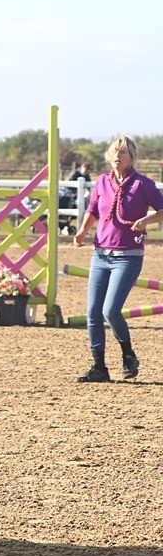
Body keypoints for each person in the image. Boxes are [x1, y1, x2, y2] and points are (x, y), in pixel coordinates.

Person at [73, 136, 163, 382]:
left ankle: (128, 355)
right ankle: (99, 367)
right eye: (114, 151)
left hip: (128, 256)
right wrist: (82, 231)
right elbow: (92, 210)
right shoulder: (102, 182)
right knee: (92, 311)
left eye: (122, 152)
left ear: (132, 157)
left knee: (111, 310)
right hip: (100, 254)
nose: (117, 155)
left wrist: (146, 220)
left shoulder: (144, 184)